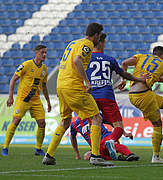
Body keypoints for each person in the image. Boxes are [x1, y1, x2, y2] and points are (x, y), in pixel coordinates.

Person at [42, 23, 112, 166]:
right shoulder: (88, 44)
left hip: (61, 86)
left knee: (65, 121)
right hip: (74, 87)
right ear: (96, 35)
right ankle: (96, 156)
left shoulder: (73, 43)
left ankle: (49, 155)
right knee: (96, 118)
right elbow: (77, 60)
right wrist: (87, 82)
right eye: (99, 35)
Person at [119, 46, 163, 163]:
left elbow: (124, 63)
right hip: (144, 95)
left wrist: (124, 80)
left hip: (134, 94)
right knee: (157, 125)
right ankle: (157, 156)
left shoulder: (142, 57)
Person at [85, 33, 149, 148]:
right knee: (119, 126)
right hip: (106, 95)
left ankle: (95, 152)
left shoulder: (86, 60)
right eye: (104, 43)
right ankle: (110, 142)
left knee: (94, 125)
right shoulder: (110, 59)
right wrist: (140, 79)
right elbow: (124, 73)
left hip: (91, 96)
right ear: (101, 43)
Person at [2, 45, 51, 156]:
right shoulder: (26, 65)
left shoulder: (45, 69)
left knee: (42, 123)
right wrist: (11, 96)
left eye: (45, 53)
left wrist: (48, 102)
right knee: (16, 121)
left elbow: (44, 86)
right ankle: (5, 147)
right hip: (23, 99)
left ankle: (38, 149)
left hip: (36, 100)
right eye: (42, 52)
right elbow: (13, 79)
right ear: (36, 53)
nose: (44, 55)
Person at [70, 117, 139, 162]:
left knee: (111, 143)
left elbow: (113, 123)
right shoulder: (74, 125)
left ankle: (129, 154)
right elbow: (72, 137)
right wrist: (77, 154)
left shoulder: (94, 115)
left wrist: (124, 133)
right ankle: (119, 157)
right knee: (87, 156)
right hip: (96, 146)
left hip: (106, 136)